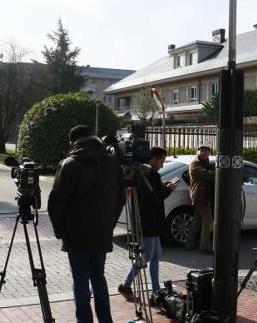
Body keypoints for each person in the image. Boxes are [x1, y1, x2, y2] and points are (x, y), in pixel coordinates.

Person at [48, 125, 125, 323]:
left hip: (76, 235)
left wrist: (60, 230)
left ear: (73, 141)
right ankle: (105, 320)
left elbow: (56, 203)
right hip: (101, 233)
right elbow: (120, 199)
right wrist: (109, 224)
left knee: (81, 282)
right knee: (98, 278)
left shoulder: (69, 164)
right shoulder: (112, 162)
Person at [118, 147, 177, 298]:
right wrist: (169, 189)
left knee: (156, 255)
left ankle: (156, 289)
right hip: (148, 221)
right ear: (154, 159)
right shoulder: (148, 175)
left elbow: (151, 193)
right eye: (161, 161)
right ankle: (126, 284)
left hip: (150, 220)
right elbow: (155, 198)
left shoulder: (144, 175)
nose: (162, 165)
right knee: (146, 256)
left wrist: (162, 186)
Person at [186, 145, 216, 253]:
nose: (203, 152)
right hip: (199, 196)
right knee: (207, 219)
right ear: (197, 152)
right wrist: (218, 173)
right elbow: (206, 174)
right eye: (201, 150)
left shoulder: (206, 162)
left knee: (197, 221)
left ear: (209, 153)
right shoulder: (195, 163)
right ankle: (204, 247)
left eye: (206, 151)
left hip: (204, 195)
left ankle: (189, 244)